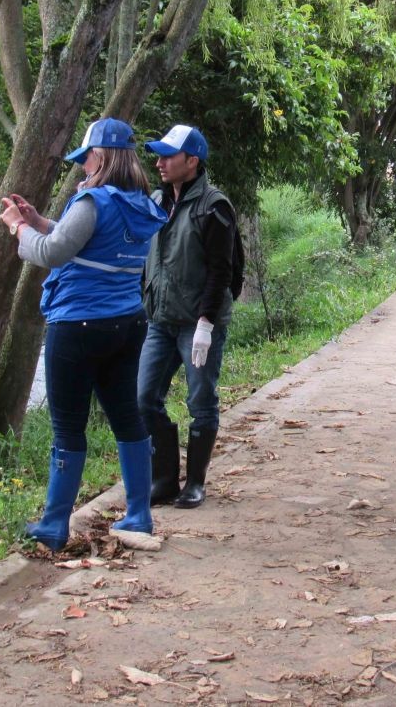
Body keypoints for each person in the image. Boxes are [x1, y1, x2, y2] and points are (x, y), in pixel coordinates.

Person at [0, 118, 168, 551]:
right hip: (126, 325)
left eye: (85, 157)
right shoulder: (141, 204)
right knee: (127, 417)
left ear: (102, 156)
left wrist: (20, 228)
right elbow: (91, 243)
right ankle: (139, 515)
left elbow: (54, 254)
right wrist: (42, 219)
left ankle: (54, 525)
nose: (82, 167)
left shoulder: (92, 201)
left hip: (78, 327)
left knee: (68, 427)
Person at [139, 125, 238, 509]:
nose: (159, 162)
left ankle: (195, 482)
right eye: (159, 155)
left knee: (201, 400)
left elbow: (221, 271)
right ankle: (163, 479)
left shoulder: (214, 206)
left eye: (168, 156)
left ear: (192, 161)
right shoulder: (157, 201)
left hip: (198, 323)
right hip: (161, 320)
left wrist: (206, 324)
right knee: (144, 397)